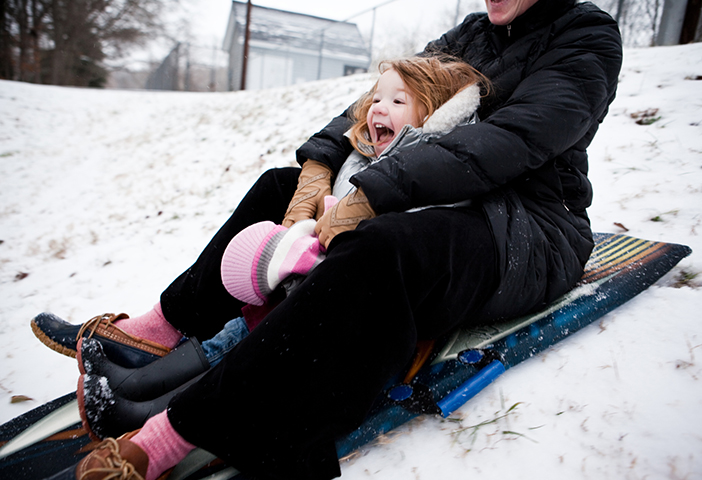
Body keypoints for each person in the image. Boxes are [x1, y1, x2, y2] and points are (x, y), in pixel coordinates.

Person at [40, 0, 623, 477]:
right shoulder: (473, 32)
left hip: (524, 229)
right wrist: (320, 168)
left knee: (384, 246)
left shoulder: (585, 36)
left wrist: (369, 193)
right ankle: (159, 337)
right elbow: (378, 101)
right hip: (437, 190)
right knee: (279, 188)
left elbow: (516, 139)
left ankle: (171, 437)